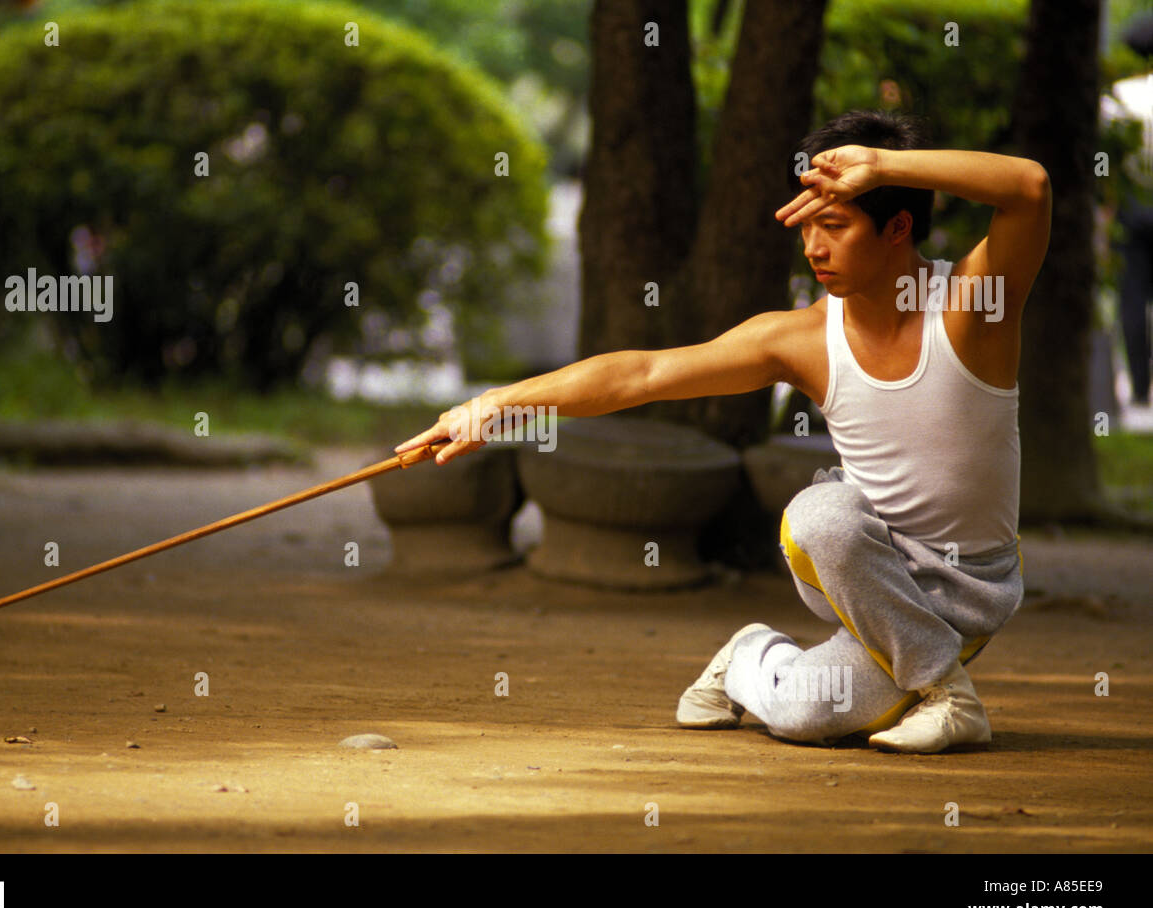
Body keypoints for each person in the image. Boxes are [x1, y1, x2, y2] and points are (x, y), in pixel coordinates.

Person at [395, 110, 1051, 753]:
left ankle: (751, 657)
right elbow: (642, 374)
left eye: (834, 224)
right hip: (862, 564)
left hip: (970, 588)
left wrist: (882, 165)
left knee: (806, 715)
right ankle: (947, 692)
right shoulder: (799, 339)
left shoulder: (972, 308)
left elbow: (1029, 189)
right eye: (807, 225)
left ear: (897, 226)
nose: (813, 247)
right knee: (822, 515)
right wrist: (499, 404)